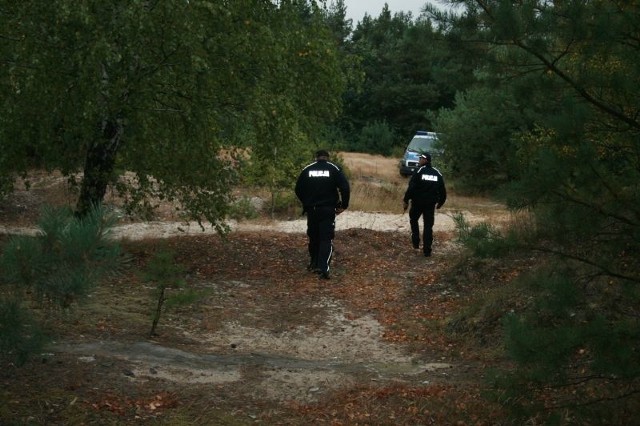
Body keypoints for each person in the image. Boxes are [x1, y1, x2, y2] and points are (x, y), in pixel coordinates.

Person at [295, 149, 350, 279]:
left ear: (316, 158)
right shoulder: (333, 168)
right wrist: (344, 205)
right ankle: (323, 268)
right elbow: (345, 187)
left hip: (312, 209)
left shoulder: (308, 169)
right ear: (327, 158)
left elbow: (298, 189)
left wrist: (306, 202)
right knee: (326, 238)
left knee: (314, 237)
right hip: (327, 209)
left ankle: (313, 263)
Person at [403, 153, 446, 257]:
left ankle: (416, 242)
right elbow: (443, 191)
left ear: (425, 160)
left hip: (417, 203)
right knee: (428, 226)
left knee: (413, 220)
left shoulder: (419, 171)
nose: (419, 160)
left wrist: (405, 200)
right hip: (430, 205)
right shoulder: (437, 173)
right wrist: (440, 203)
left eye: (421, 158)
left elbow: (411, 187)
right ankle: (427, 250)